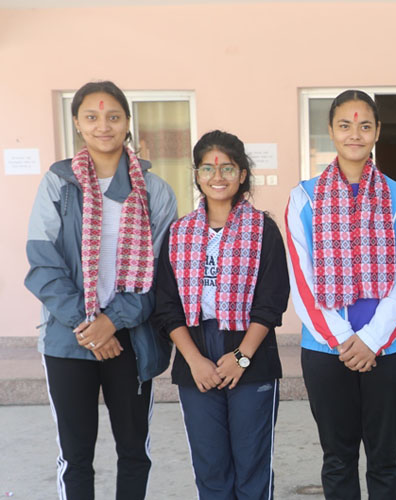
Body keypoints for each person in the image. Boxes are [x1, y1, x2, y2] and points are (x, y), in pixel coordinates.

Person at [24, 80, 177, 500]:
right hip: (68, 340)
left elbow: (161, 275)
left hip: (132, 340)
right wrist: (90, 327)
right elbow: (43, 263)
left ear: (127, 122)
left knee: (134, 452)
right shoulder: (58, 183)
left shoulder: (155, 191)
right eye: (91, 117)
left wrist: (112, 322)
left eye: (113, 117)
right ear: (77, 123)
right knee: (75, 456)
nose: (103, 126)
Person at [286, 90, 396, 500]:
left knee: (385, 458)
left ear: (377, 131)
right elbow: (302, 280)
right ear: (330, 131)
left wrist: (372, 340)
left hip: (387, 347)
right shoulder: (304, 197)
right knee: (338, 458)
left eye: (364, 126)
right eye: (344, 125)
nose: (354, 134)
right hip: (327, 349)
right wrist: (345, 340)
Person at [152, 130, 288, 499]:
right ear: (196, 174)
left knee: (252, 464)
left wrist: (242, 356)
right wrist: (194, 360)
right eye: (208, 168)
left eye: (227, 168)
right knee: (210, 467)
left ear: (242, 174)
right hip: (195, 351)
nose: (217, 176)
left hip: (250, 351)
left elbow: (272, 301)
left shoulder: (263, 230)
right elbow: (167, 305)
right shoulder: (179, 233)